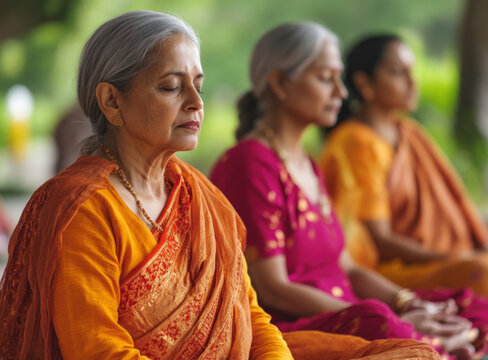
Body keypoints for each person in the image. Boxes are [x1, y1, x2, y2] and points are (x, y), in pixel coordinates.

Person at [0, 11, 295, 359]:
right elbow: (98, 350)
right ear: (111, 101)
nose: (197, 103)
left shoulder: (201, 197)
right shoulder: (83, 209)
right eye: (171, 87)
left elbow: (251, 318)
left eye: (198, 86)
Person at [210, 22, 488, 360]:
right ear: (279, 83)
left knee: (476, 305)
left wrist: (407, 302)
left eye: (339, 78)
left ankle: (430, 346)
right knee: (383, 323)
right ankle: (429, 345)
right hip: (299, 326)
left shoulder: (307, 164)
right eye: (325, 79)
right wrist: (389, 317)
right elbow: (273, 289)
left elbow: (346, 266)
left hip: (353, 311)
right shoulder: (250, 162)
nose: (342, 92)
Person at [319, 34, 488, 322]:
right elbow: (381, 240)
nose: (413, 82)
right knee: (485, 273)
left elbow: (455, 205)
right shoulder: (356, 141)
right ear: (364, 83)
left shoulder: (410, 133)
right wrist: (458, 261)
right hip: (389, 271)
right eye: (399, 73)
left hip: (446, 259)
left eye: (412, 72)